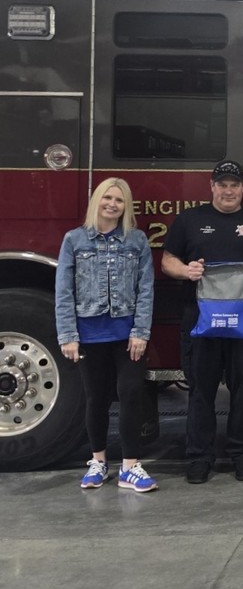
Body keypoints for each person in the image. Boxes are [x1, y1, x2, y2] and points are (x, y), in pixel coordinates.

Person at [162, 159, 243, 484]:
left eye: (235, 184)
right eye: (222, 184)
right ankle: (200, 457)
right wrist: (186, 271)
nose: (229, 190)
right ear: (212, 186)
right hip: (201, 323)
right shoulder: (190, 220)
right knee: (201, 391)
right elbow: (167, 259)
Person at [55, 178, 158, 493]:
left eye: (120, 200)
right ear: (97, 200)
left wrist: (140, 332)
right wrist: (68, 335)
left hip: (127, 335)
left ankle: (130, 466)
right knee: (96, 398)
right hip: (88, 334)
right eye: (107, 198)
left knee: (130, 394)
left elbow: (145, 290)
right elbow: (63, 292)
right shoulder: (74, 240)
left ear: (126, 207)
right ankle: (98, 461)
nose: (112, 204)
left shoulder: (137, 241)